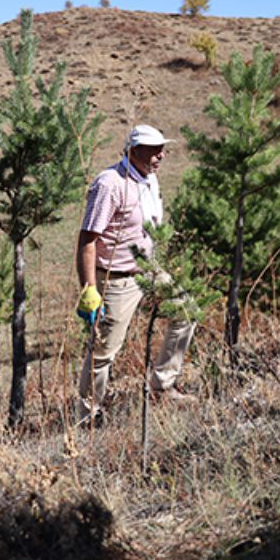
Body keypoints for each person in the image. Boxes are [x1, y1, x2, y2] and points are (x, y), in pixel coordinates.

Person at [75, 124, 194, 425]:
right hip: (116, 279)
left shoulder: (149, 179)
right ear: (133, 150)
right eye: (154, 150)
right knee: (104, 351)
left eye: (162, 149)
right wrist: (89, 289)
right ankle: (87, 417)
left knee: (186, 310)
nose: (161, 155)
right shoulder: (109, 184)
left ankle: (162, 386)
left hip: (148, 270)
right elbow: (87, 240)